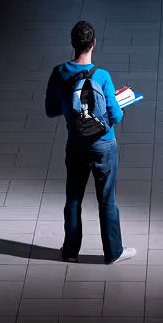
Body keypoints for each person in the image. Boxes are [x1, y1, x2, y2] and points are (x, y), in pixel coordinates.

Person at [45, 21, 136, 264]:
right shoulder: (102, 76)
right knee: (106, 199)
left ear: (73, 44)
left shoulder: (59, 72)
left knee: (73, 198)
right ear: (94, 43)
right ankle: (113, 253)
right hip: (103, 145)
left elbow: (51, 110)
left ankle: (70, 252)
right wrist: (114, 103)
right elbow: (115, 116)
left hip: (75, 144)